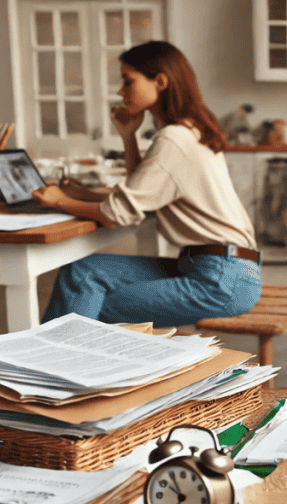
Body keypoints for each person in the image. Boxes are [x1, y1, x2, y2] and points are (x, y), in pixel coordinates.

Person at [33, 41, 261, 327]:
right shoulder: (189, 130)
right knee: (82, 272)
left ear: (161, 81)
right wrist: (129, 136)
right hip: (220, 268)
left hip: (220, 277)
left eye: (128, 81)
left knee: (87, 304)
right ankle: (63, 363)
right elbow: (140, 193)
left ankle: (56, 367)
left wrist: (59, 201)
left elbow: (116, 214)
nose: (120, 91)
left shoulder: (173, 140)